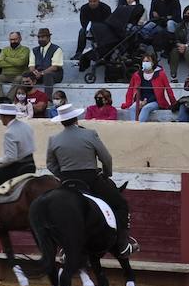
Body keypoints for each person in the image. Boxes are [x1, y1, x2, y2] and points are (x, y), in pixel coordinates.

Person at [45, 104, 133, 257]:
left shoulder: (53, 139)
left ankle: (64, 247)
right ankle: (122, 243)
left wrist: (63, 176)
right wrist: (106, 174)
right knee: (120, 204)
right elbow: (106, 158)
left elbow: (50, 164)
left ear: (61, 121)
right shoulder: (90, 134)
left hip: (67, 183)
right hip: (90, 179)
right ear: (76, 119)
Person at [0, 103, 36, 229]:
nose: (0, 118)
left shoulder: (10, 132)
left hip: (16, 167)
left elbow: (11, 157)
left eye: (1, 116)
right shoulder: (26, 126)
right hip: (31, 164)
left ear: (5, 116)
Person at [121, 52, 176, 122]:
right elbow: (130, 90)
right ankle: (134, 125)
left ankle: (139, 126)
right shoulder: (137, 75)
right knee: (132, 108)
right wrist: (134, 102)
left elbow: (169, 90)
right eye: (143, 61)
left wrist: (174, 104)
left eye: (147, 61)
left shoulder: (161, 74)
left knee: (146, 108)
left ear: (153, 63)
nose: (145, 63)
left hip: (155, 101)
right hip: (140, 100)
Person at [0, 31, 30, 104]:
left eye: (15, 39)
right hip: (5, 74)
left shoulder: (25, 49)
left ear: (20, 39)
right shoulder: (5, 49)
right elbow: (0, 63)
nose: (13, 41)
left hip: (18, 74)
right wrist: (15, 61)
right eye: (11, 39)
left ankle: (9, 99)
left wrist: (7, 58)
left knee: (19, 79)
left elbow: (21, 62)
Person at [28, 27, 65, 91]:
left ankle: (48, 97)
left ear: (49, 38)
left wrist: (41, 73)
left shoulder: (57, 49)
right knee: (23, 76)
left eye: (42, 37)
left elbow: (55, 67)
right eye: (39, 37)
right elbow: (31, 65)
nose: (40, 39)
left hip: (54, 74)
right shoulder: (34, 50)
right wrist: (34, 72)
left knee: (48, 75)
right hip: (38, 74)